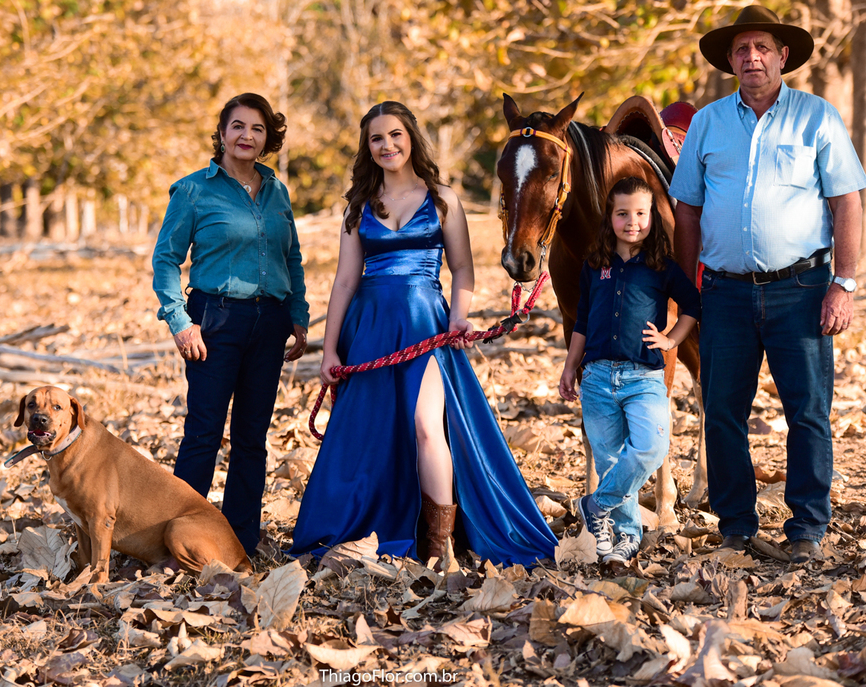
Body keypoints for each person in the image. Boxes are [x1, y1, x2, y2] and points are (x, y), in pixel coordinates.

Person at [290, 101, 557, 567]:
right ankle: (379, 522)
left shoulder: (442, 198)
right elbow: (345, 281)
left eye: (395, 134)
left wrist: (459, 316)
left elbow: (462, 269)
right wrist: (329, 349)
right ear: (367, 147)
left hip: (424, 323)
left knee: (427, 425)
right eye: (376, 138)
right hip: (370, 326)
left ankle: (439, 544)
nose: (387, 145)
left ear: (411, 137)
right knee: (373, 430)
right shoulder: (359, 206)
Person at [669, 5, 866, 566]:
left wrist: (843, 283)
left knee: (807, 411)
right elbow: (687, 211)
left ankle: (806, 527)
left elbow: (847, 202)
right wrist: (686, 291)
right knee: (722, 411)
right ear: (730, 61)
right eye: (741, 49)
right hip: (725, 293)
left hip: (801, 289)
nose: (751, 57)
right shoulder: (707, 123)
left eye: (761, 48)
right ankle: (735, 526)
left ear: (782, 56)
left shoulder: (817, 117)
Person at [151, 93, 309, 559]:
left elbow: (292, 258)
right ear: (222, 133)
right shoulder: (193, 190)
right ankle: (178, 540)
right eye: (238, 126)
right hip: (214, 320)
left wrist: (298, 315)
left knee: (251, 438)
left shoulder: (277, 191)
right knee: (203, 433)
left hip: (269, 322)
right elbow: (166, 260)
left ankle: (240, 541)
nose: (247, 136)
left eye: (257, 128)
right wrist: (180, 321)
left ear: (267, 138)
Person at [558, 177, 700, 566]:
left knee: (652, 446)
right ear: (610, 217)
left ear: (652, 216)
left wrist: (670, 340)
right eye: (623, 213)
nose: (632, 222)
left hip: (644, 377)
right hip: (597, 378)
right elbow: (581, 321)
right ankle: (625, 537)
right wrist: (570, 367)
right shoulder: (594, 266)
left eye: (641, 213)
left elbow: (691, 305)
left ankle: (595, 504)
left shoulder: (662, 267)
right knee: (609, 460)